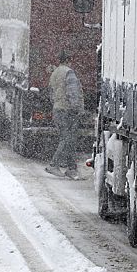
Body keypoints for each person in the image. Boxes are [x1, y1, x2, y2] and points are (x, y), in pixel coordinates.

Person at [45, 51, 84, 180]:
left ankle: (72, 169)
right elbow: (72, 92)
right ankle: (53, 165)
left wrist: (57, 103)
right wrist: (77, 108)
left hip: (58, 109)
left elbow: (51, 93)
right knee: (67, 139)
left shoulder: (54, 73)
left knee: (68, 139)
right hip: (67, 111)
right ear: (68, 60)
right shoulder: (69, 73)